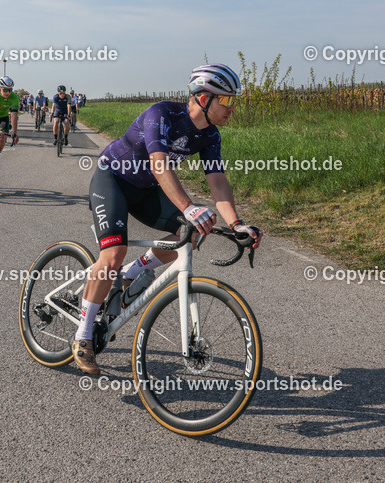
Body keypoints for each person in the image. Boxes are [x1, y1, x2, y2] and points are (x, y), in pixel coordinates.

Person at [71, 64, 263, 376]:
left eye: (233, 102)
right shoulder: (161, 114)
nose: (232, 108)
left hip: (146, 190)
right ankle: (83, 337)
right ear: (203, 98)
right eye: (227, 101)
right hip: (113, 181)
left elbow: (216, 180)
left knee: (193, 232)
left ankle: (132, 273)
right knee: (113, 254)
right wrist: (188, 206)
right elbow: (159, 165)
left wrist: (237, 223)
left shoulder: (210, 135)